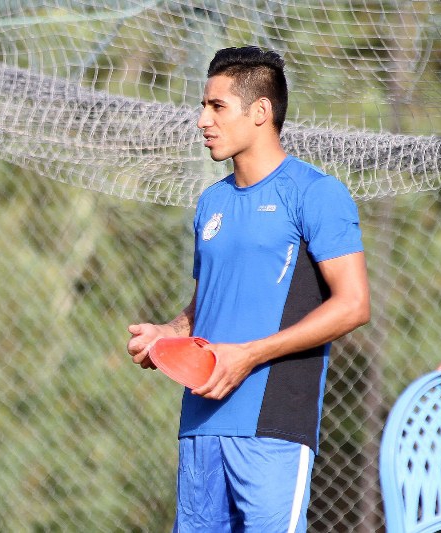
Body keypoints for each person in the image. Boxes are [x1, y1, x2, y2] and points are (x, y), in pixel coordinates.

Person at [127, 46, 370, 532]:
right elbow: (205, 306)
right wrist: (167, 333)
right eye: (203, 105)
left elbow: (354, 305)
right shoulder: (210, 201)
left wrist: (250, 355)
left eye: (216, 106)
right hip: (200, 424)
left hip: (272, 425)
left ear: (260, 112)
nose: (202, 120)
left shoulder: (315, 193)